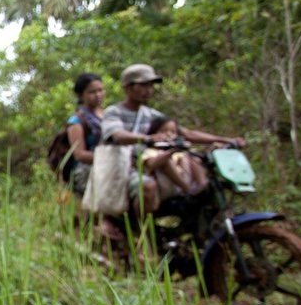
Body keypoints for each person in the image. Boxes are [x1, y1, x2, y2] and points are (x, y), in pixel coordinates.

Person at [100, 63, 243, 215]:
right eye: (143, 85)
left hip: (150, 166)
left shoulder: (152, 114)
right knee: (148, 186)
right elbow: (117, 135)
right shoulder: (114, 112)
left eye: (151, 86)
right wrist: (148, 138)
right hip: (125, 167)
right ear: (128, 87)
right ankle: (142, 228)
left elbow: (186, 134)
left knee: (201, 170)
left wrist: (226, 140)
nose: (148, 90)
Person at [139, 116, 207, 199]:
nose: (169, 134)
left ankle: (202, 186)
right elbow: (151, 164)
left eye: (173, 132)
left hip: (183, 182)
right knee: (165, 161)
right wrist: (171, 151)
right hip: (164, 187)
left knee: (192, 157)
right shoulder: (151, 151)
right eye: (163, 131)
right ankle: (187, 190)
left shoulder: (180, 152)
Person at [66, 73, 105, 196]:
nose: (98, 95)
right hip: (88, 170)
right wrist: (108, 158)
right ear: (81, 95)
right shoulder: (76, 122)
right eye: (92, 92)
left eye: (100, 90)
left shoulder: (109, 115)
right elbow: (79, 154)